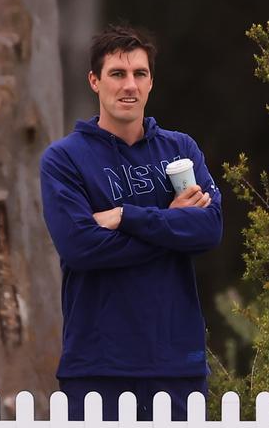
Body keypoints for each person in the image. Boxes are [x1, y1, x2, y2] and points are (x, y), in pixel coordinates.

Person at [40, 25, 222, 421]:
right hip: (98, 365)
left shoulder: (181, 150)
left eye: (140, 74)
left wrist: (127, 216)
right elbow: (81, 248)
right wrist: (173, 226)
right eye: (117, 74)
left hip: (177, 364)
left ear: (151, 81)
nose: (129, 86)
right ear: (94, 81)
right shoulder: (63, 160)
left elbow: (208, 229)